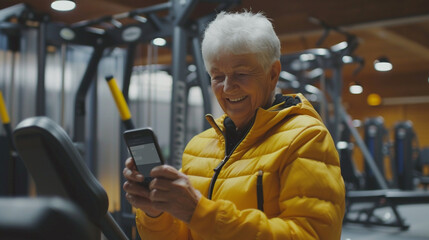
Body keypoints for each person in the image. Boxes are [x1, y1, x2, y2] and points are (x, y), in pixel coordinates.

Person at [123, 10, 345, 239]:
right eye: (218, 77)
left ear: (273, 74)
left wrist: (199, 212)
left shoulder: (307, 139)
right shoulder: (198, 147)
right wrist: (155, 212)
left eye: (241, 74)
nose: (228, 88)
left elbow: (311, 235)